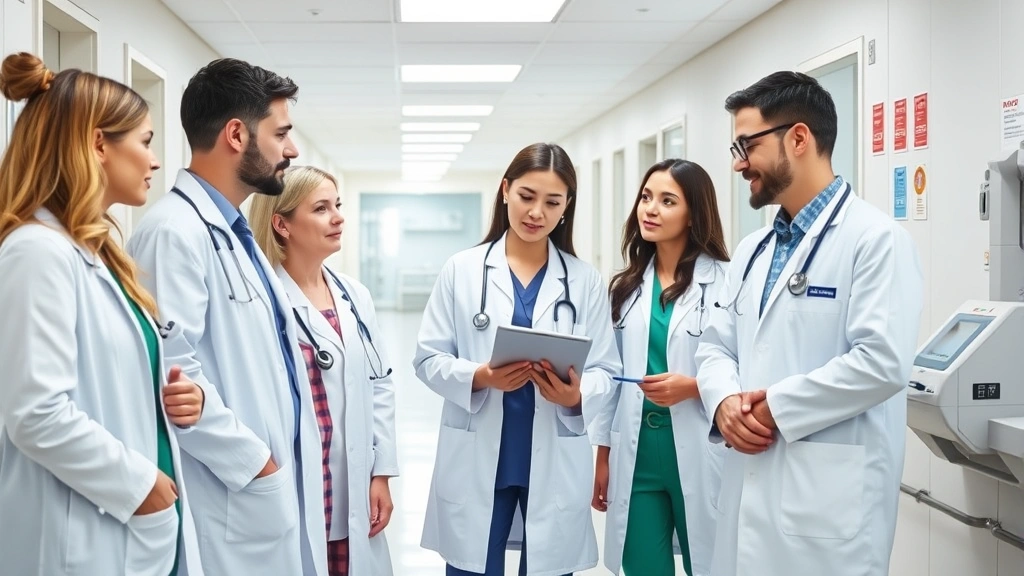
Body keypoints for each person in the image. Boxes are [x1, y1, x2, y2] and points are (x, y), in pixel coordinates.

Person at [695, 71, 923, 576]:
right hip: (748, 481)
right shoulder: (754, 250)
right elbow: (715, 345)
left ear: (798, 138)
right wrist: (724, 402)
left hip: (826, 510)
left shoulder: (876, 240)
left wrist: (774, 406)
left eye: (746, 145)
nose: (738, 163)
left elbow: (881, 364)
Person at [0, 52, 204, 576]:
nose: (155, 161)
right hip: (86, 533)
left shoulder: (96, 253)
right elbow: (36, 414)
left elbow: (98, 378)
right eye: (145, 142)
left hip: (134, 527)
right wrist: (143, 488)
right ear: (97, 144)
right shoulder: (35, 252)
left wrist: (165, 392)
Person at [127, 58, 328, 576]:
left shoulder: (234, 233)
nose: (292, 150)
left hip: (265, 489)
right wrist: (255, 464)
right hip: (229, 494)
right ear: (237, 134)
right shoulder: (174, 232)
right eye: (281, 133)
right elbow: (173, 377)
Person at [414, 142, 620, 576]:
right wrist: (482, 376)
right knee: (470, 568)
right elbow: (427, 358)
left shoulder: (583, 281)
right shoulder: (462, 270)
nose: (536, 213)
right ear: (505, 190)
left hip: (553, 452)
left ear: (567, 207)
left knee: (548, 566)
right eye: (527, 196)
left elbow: (607, 369)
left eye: (552, 202)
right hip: (480, 452)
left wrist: (577, 394)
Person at [248, 165, 398, 576]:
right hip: (298, 481)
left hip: (352, 482)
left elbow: (379, 382)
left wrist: (380, 472)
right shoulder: (262, 301)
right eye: (320, 208)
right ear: (282, 224)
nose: (338, 217)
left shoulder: (354, 294)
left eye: (337, 205)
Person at [591, 159, 730, 576]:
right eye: (646, 197)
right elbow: (610, 374)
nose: (650, 209)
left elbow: (743, 364)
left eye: (667, 201)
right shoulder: (626, 286)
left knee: (711, 564)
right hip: (637, 454)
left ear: (694, 215)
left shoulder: (727, 280)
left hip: (703, 443)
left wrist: (694, 387)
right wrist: (603, 454)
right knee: (642, 567)